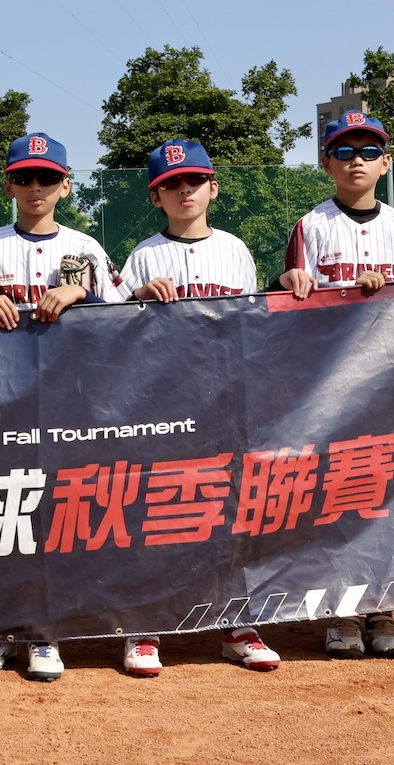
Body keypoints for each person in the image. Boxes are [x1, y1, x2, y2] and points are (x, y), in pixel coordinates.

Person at [0, 132, 116, 683]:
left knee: (53, 515)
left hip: (67, 398)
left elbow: (120, 317)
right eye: (24, 177)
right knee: (0, 510)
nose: (35, 186)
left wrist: (80, 293)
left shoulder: (85, 248)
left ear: (65, 186)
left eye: (47, 177)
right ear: (9, 186)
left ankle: (45, 632)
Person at [117, 139, 280, 676]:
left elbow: (251, 326)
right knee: (158, 510)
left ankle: (236, 625)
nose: (183, 190)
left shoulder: (234, 249)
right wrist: (138, 296)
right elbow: (113, 334)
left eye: (193, 181)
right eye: (171, 184)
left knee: (230, 513)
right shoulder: (143, 255)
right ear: (156, 196)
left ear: (213, 187)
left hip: (224, 398)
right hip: (162, 402)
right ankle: (147, 626)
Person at [279, 110, 394, 659]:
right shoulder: (312, 225)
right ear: (327, 164)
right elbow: (294, 299)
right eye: (344, 152)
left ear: (386, 163)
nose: (357, 161)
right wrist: (290, 281)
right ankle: (339, 611)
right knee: (337, 493)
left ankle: (382, 609)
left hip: (393, 377)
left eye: (368, 151)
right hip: (333, 382)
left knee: (388, 494)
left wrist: (385, 290)